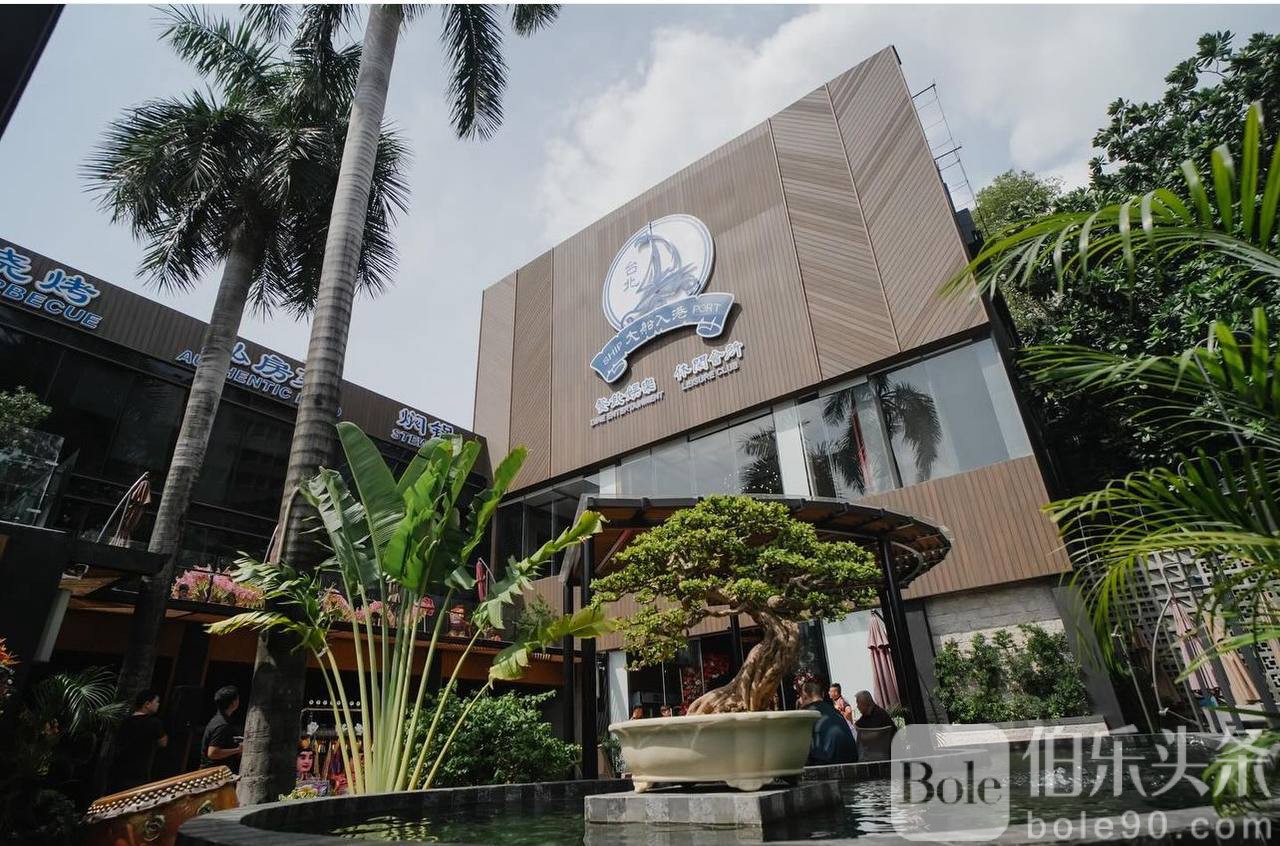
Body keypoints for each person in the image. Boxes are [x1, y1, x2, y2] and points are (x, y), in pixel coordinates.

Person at [109, 689, 167, 791]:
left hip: (119, 770)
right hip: (139, 773)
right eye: (156, 701)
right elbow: (163, 743)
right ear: (147, 704)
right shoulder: (154, 723)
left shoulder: (126, 722)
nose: (158, 704)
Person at [797, 680, 856, 766]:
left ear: (804, 695)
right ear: (823, 694)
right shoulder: (836, 712)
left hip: (824, 765)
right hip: (852, 762)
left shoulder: (805, 714)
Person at [200, 685, 243, 772]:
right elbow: (212, 753)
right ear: (234, 703)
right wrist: (238, 750)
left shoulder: (217, 720)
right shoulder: (222, 725)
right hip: (213, 773)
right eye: (237, 699)